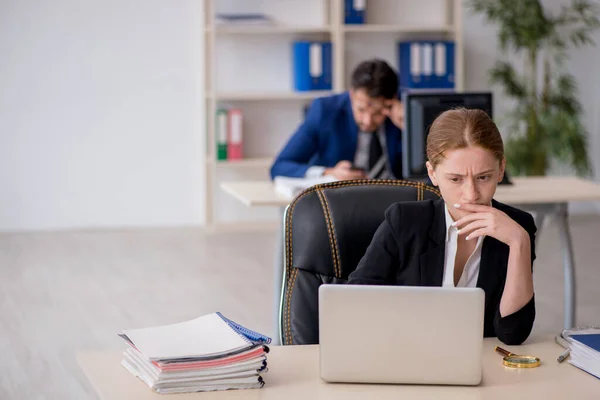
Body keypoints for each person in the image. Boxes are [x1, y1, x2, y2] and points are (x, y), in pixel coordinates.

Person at [347, 108, 536, 346]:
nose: (471, 194)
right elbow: (354, 305)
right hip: (406, 356)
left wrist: (519, 242)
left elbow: (513, 334)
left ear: (501, 170)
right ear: (432, 173)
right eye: (455, 179)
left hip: (482, 367)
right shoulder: (403, 221)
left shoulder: (517, 228)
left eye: (483, 177)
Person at [269, 59, 405, 181]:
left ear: (391, 101)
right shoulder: (325, 110)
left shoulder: (407, 109)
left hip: (394, 199)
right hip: (340, 201)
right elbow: (280, 167)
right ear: (352, 94)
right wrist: (329, 173)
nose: (367, 121)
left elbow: (423, 171)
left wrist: (409, 126)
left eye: (377, 112)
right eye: (361, 110)